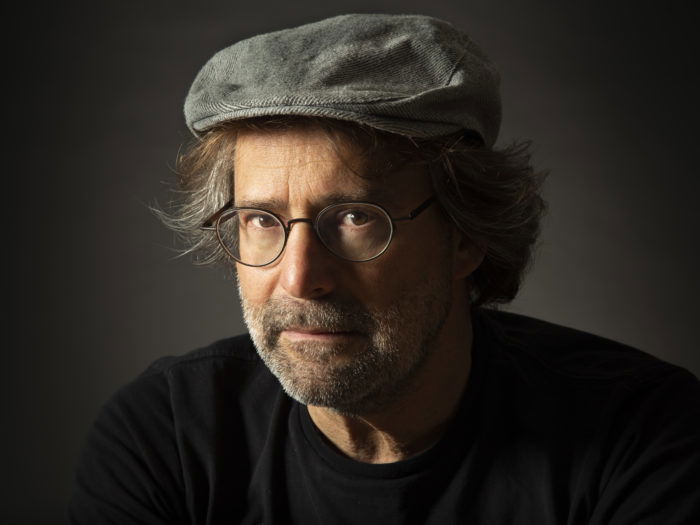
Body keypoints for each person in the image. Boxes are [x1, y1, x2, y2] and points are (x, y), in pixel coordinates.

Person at [68, 13, 700, 524]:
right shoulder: (167, 436)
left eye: (354, 217)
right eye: (261, 220)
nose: (299, 278)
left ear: (465, 236)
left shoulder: (644, 436)